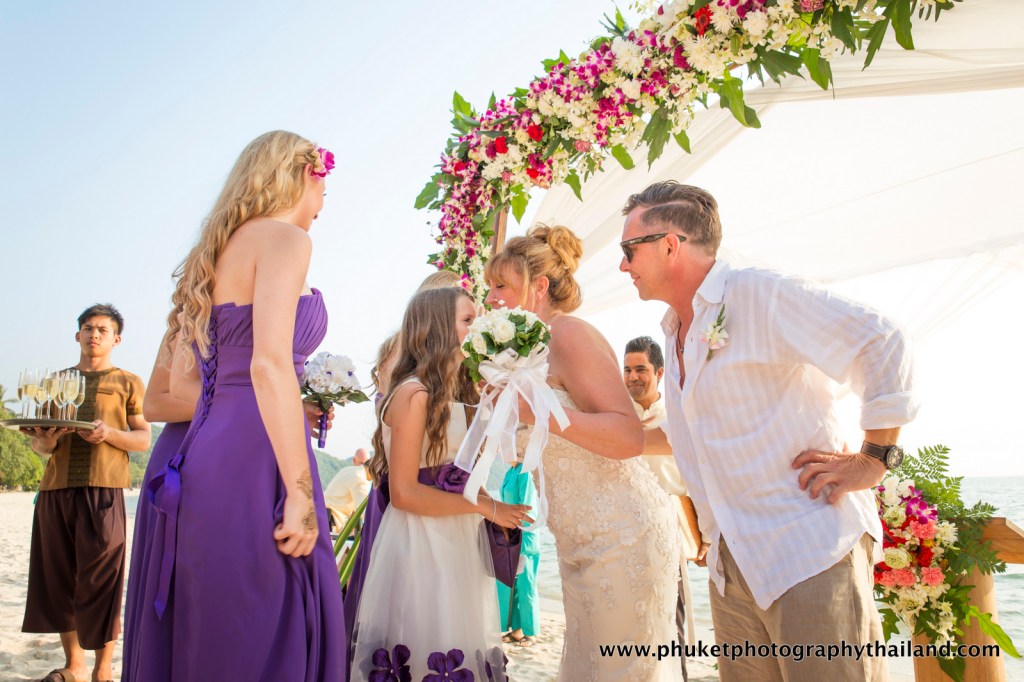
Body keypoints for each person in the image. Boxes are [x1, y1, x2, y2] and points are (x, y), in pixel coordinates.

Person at [619, 181, 917, 681]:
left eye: (630, 250)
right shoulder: (674, 330)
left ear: (670, 245)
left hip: (807, 554)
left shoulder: (759, 291)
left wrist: (875, 457)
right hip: (731, 565)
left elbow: (883, 339)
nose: (623, 266)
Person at [125, 130, 345, 681]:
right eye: (325, 182)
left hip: (205, 446)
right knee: (267, 623)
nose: (326, 200)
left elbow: (186, 380)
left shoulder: (217, 252)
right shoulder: (286, 240)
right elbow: (269, 365)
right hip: (256, 452)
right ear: (302, 174)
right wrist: (299, 494)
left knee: (218, 627)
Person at [485, 226, 682, 681]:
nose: (491, 297)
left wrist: (540, 414)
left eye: (502, 286)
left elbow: (627, 437)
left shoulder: (569, 334)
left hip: (623, 535)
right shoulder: (526, 351)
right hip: (576, 542)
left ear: (539, 287)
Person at [121, 315, 335, 679]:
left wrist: (290, 410)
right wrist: (271, 406)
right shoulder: (199, 307)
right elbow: (154, 403)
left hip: (261, 457)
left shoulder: (271, 294)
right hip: (194, 455)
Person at [350, 287, 529, 682]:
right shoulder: (413, 394)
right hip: (421, 540)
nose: (478, 327)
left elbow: (464, 470)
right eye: (468, 320)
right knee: (427, 634)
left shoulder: (461, 393)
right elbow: (404, 493)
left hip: (459, 537)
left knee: (460, 634)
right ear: (435, 329)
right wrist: (487, 508)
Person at [22, 304, 152, 682]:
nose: (94, 334)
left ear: (116, 339)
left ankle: (102, 668)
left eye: (102, 330)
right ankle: (75, 665)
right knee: (60, 575)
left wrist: (109, 434)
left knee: (103, 577)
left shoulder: (128, 381)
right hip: (56, 489)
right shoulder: (55, 381)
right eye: (88, 328)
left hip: (105, 490)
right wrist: (43, 442)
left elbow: (143, 437)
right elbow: (43, 446)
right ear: (77, 335)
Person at [625, 335, 708, 681]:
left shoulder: (679, 415)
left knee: (671, 622)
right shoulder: (614, 416)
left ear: (659, 372)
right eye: (627, 369)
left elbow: (698, 478)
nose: (633, 377)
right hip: (624, 532)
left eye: (640, 369)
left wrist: (704, 534)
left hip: (670, 532)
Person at [496, 457, 541, 648]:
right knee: (512, 583)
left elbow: (527, 509)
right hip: (511, 536)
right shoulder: (510, 472)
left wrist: (512, 527)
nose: (501, 451)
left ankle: (531, 632)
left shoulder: (525, 471)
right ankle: (516, 629)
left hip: (524, 536)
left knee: (526, 584)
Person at [324, 447, 372, 521]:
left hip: (322, 513)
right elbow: (364, 511)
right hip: (332, 519)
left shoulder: (347, 470)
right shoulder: (360, 477)